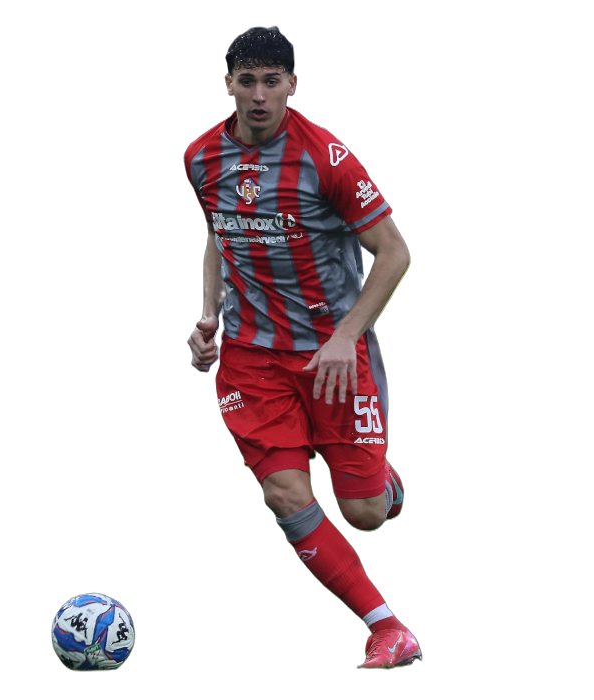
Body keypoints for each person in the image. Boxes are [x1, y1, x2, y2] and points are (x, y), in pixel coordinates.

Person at [184, 26, 420, 670]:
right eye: (247, 81)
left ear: (292, 84)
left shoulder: (327, 158)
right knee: (284, 495)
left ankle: (381, 482)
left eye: (272, 81)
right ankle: (387, 628)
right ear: (228, 84)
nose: (259, 95)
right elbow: (219, 234)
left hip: (330, 357)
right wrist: (209, 315)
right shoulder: (201, 158)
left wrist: (347, 335)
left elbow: (395, 253)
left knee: (365, 514)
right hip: (250, 359)